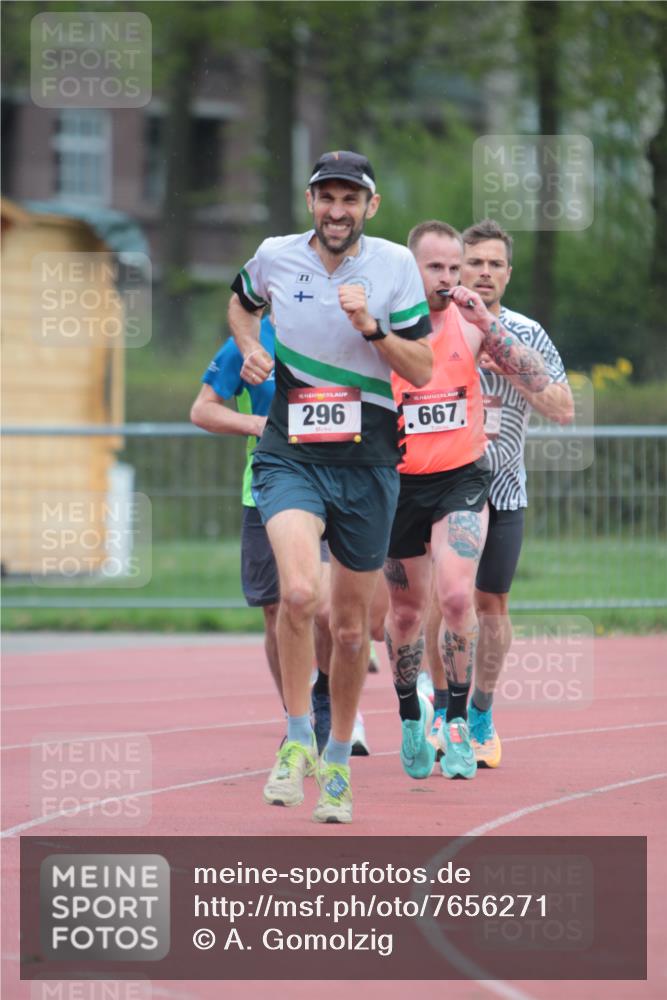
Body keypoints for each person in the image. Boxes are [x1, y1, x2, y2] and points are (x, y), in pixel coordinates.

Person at [228, 150, 433, 823]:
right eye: (326, 197)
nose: (336, 211)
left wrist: (372, 328)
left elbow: (422, 369)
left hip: (368, 464)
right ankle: (297, 739)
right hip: (290, 454)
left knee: (349, 631)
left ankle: (337, 761)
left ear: (371, 206)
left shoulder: (395, 267)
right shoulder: (275, 255)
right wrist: (251, 347)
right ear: (310, 201)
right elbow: (241, 302)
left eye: (350, 199)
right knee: (295, 593)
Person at [384, 220, 550, 781]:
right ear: (411, 270)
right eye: (436, 267)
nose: (449, 278)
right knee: (407, 612)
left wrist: (488, 326)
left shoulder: (473, 323)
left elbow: (538, 379)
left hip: (462, 478)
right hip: (400, 484)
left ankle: (457, 720)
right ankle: (412, 716)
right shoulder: (386, 328)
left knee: (457, 597)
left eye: (455, 267)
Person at [424, 218, 574, 768]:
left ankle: (481, 710)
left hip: (503, 487)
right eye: (474, 262)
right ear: (456, 268)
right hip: (442, 484)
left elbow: (562, 407)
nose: (484, 272)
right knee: (444, 600)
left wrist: (509, 365)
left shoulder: (526, 333)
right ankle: (444, 710)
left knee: (490, 606)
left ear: (508, 274)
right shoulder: (430, 323)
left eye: (495, 264)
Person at [190, 315, 370, 754]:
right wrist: (257, 424)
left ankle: (330, 699)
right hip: (267, 491)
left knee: (323, 608)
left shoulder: (348, 331)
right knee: (277, 609)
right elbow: (202, 409)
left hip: (336, 488)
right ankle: (297, 717)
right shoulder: (251, 342)